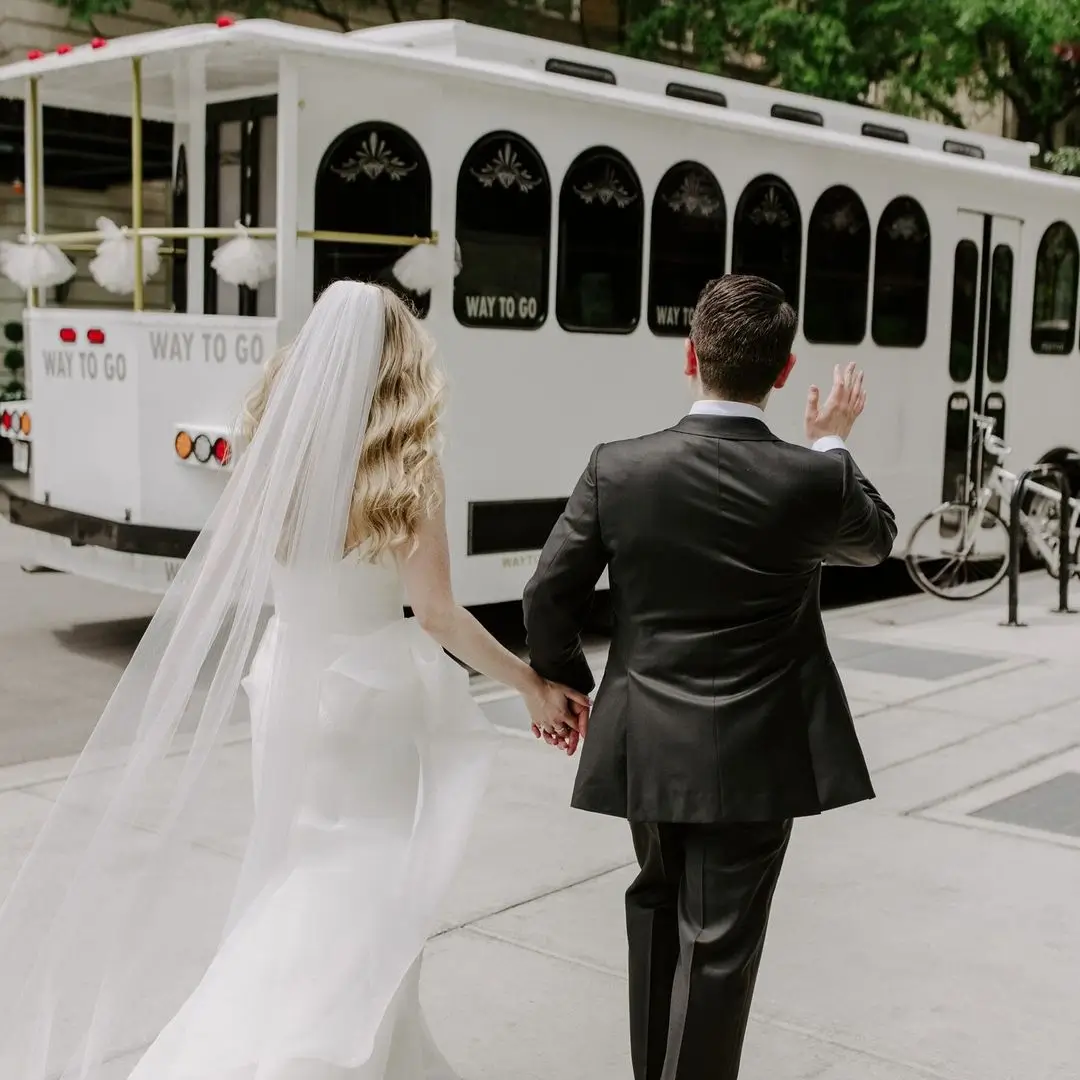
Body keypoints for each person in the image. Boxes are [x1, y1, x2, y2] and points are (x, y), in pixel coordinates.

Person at [0, 280, 586, 1080]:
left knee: (300, 870)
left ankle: (356, 1047)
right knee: (368, 889)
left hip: (286, 686)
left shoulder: (273, 446)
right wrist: (528, 682)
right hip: (371, 701)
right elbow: (438, 613)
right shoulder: (409, 465)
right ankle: (305, 1050)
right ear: (399, 362)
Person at [523, 274, 897, 1080]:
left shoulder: (617, 468)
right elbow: (875, 544)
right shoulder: (813, 477)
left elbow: (547, 594)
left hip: (646, 740)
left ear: (690, 356)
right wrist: (833, 440)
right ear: (786, 372)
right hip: (760, 756)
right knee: (718, 949)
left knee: (656, 908)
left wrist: (567, 685)